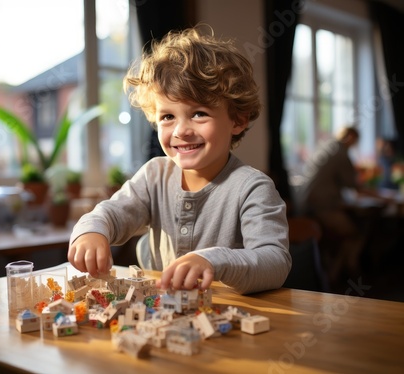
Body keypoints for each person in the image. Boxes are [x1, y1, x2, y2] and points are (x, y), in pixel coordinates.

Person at [68, 26, 291, 294]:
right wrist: (92, 230)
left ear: (238, 120)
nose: (181, 131)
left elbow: (275, 262)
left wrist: (214, 260)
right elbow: (112, 213)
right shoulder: (154, 175)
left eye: (198, 113)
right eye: (167, 117)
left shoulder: (253, 187)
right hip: (163, 319)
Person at [297, 126, 377, 285]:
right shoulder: (340, 154)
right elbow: (353, 185)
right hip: (322, 208)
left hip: (305, 206)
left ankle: (339, 273)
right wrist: (378, 194)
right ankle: (341, 273)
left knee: (346, 233)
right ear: (350, 137)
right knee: (353, 235)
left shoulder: (325, 147)